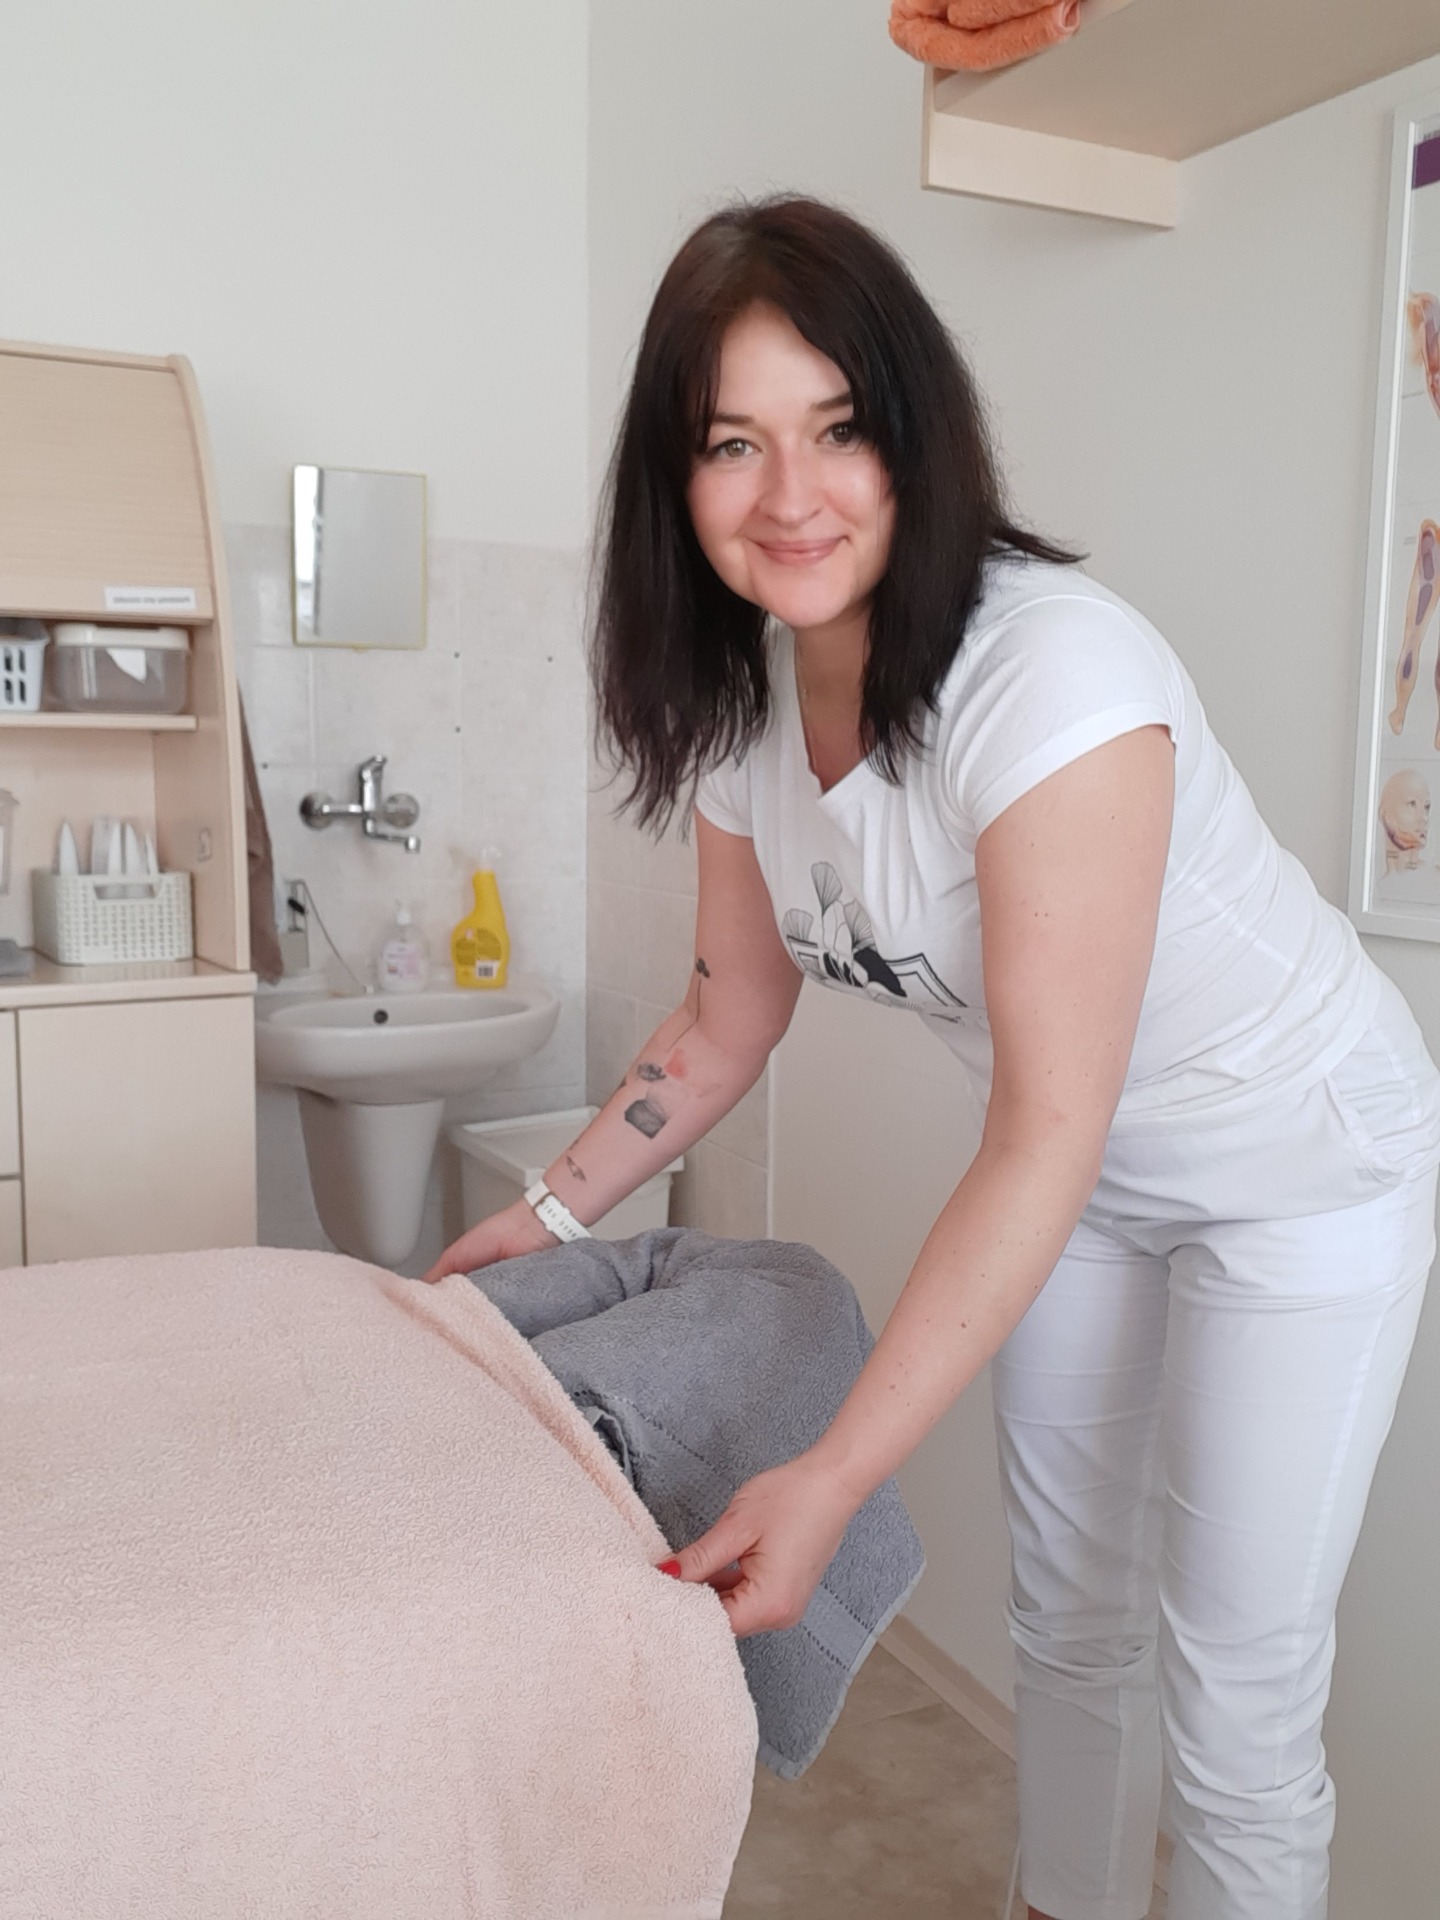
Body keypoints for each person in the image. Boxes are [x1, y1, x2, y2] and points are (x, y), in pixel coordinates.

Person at [425, 198, 1440, 1920]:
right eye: (732, 443)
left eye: (838, 429)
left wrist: (834, 1472)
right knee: (1069, 1617)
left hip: (1302, 1164)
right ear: (676, 480)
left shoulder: (1051, 676)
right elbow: (725, 1018)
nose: (790, 493)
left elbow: (1041, 1126)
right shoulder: (752, 716)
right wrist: (548, 1217)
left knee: (1239, 1694)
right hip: (1086, 1176)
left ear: (915, 437)